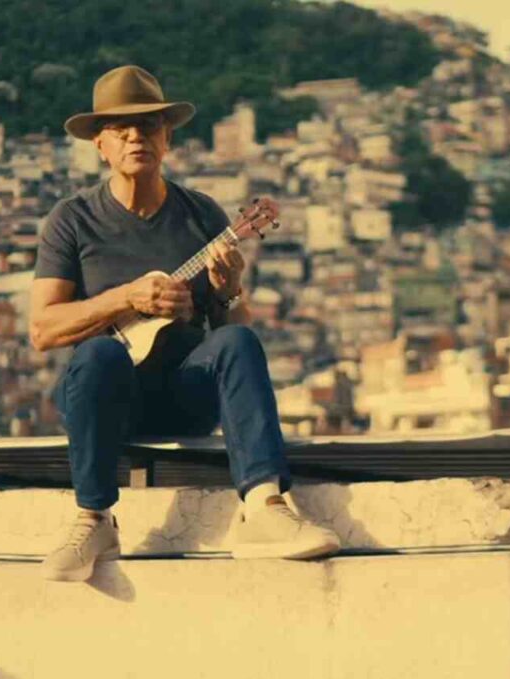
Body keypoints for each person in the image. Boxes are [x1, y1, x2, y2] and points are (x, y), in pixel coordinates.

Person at [30, 65, 340, 582]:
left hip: (186, 396)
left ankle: (265, 507)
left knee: (239, 339)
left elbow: (234, 333)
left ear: (167, 138)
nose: (136, 137)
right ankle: (94, 518)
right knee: (99, 354)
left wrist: (227, 291)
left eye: (149, 126)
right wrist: (126, 298)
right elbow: (43, 330)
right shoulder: (72, 219)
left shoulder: (202, 216)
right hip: (111, 400)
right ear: (99, 144)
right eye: (121, 129)